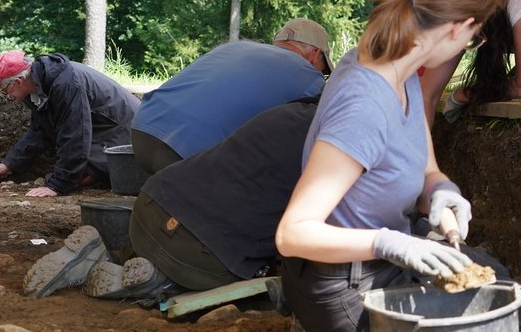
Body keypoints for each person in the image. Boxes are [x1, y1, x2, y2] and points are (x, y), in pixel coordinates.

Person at [274, 0, 521, 332]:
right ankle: (317, 320)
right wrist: (392, 244)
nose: (469, 44)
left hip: (372, 265)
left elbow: (426, 170)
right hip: (346, 292)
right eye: (476, 37)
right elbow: (293, 233)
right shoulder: (365, 104)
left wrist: (442, 191)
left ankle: (310, 310)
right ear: (460, 28)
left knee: (496, 277)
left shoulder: (402, 72)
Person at [23, 98, 320, 299]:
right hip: (204, 251)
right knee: (241, 284)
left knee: (175, 236)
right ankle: (159, 284)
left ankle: (106, 254)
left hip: (152, 203)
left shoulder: (288, 111)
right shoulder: (335, 146)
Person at [129, 18, 330, 175]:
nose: (322, 74)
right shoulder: (308, 74)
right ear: (315, 54)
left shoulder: (236, 47)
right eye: (324, 68)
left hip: (142, 132)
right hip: (190, 155)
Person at [0, 51, 139, 197]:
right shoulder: (37, 86)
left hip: (125, 129)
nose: (6, 95)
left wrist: (56, 186)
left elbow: (75, 134)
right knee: (75, 170)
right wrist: (10, 163)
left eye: (5, 90)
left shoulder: (66, 85)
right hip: (100, 125)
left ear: (18, 81)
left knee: (79, 178)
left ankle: (97, 173)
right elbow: (40, 130)